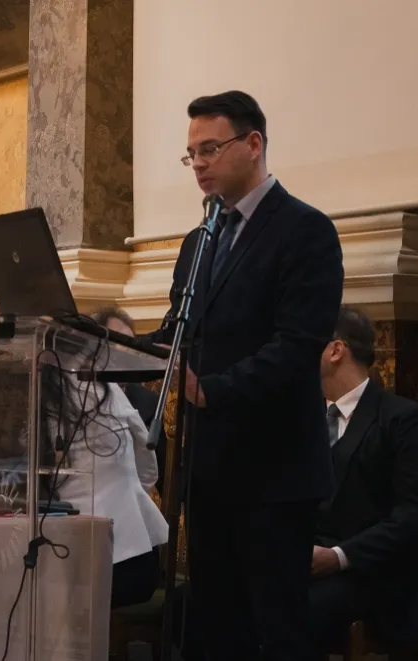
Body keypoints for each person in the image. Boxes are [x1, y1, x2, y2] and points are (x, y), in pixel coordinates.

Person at [148, 91, 344, 661]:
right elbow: (175, 330)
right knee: (214, 630)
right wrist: (101, 347)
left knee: (277, 632)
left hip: (275, 474)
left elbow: (297, 346)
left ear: (253, 143)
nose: (199, 163)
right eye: (191, 154)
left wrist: (212, 391)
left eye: (210, 148)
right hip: (208, 470)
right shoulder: (198, 241)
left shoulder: (305, 230)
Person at [311, 306, 418, 653]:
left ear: (336, 350)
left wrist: (337, 556)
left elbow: (412, 516)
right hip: (306, 565)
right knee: (207, 600)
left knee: (288, 612)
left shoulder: (404, 419)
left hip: (374, 574)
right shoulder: (304, 418)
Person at [40, 362, 168, 609]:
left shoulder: (32, 393)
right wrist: (128, 494)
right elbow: (148, 464)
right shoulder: (105, 389)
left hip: (62, 559)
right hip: (131, 555)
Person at [92, 305, 168, 494]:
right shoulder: (82, 398)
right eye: (118, 343)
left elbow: (163, 476)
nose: (126, 352)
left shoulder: (152, 404)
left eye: (130, 345)